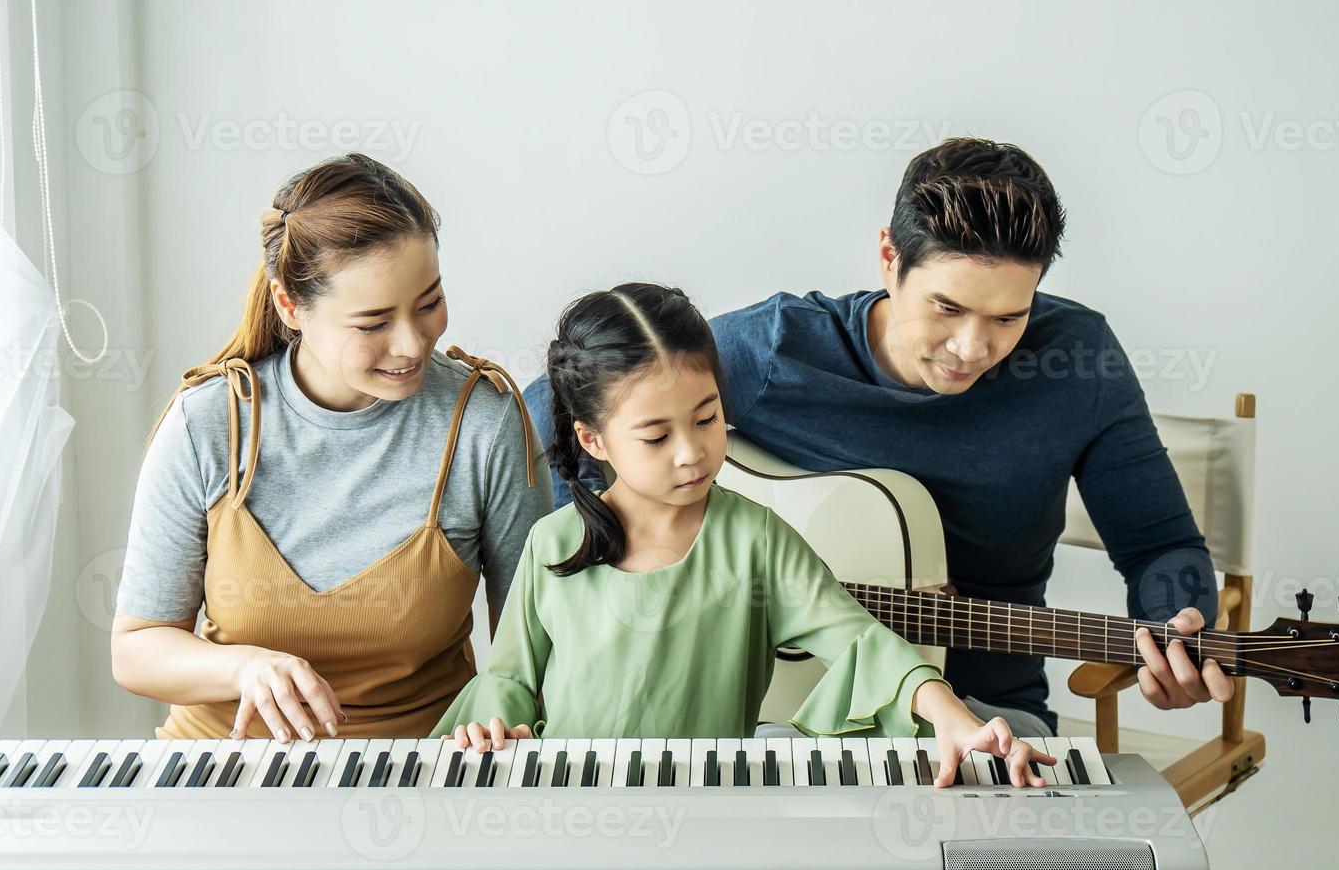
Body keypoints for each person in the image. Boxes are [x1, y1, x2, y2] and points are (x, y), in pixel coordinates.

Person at [526, 139, 1233, 735]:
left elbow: (1160, 545)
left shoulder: (1080, 362)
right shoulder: (776, 354)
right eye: (946, 307)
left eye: (1008, 318)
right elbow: (557, 401)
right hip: (776, 708)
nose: (971, 347)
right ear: (889, 257)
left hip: (985, 712)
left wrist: (1180, 626)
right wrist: (608, 567)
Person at [432, 283, 1055, 788]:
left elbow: (859, 640)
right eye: (656, 436)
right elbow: (510, 679)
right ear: (593, 439)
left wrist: (952, 716)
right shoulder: (552, 542)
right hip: (566, 798)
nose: (691, 454)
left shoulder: (755, 539)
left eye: (707, 419)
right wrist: (490, 729)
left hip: (707, 805)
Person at [112, 153, 552, 742]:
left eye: (429, 303)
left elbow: (529, 653)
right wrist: (244, 666)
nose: (412, 344)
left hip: (420, 769)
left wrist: (503, 724)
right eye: (373, 323)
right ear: (291, 306)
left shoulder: (484, 424)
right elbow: (137, 648)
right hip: (222, 764)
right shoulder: (209, 423)